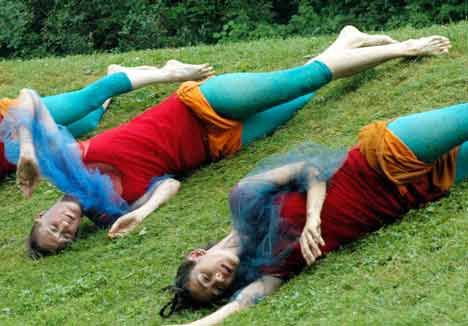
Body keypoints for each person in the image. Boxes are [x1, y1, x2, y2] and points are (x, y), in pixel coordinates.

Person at [4, 26, 450, 259]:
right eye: (63, 238)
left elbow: (27, 100)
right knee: (304, 94)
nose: (62, 228)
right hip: (221, 144)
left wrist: (26, 151)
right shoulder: (108, 214)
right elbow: (169, 185)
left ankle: (407, 47)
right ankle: (347, 40)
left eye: (50, 226)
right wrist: (141, 211)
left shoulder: (66, 162)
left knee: (308, 78)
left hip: (199, 106)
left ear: (43, 213)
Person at [161, 97, 467, 324]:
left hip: (385, 157)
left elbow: (310, 169)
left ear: (196, 255)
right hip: (416, 192)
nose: (218, 280)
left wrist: (312, 219)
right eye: (216, 290)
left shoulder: (244, 198)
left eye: (205, 277)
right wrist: (204, 322)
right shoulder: (270, 268)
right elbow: (245, 302)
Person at [0, 59, 214, 179]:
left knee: (85, 102)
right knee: (88, 122)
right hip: (14, 152)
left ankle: (169, 73)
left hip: (10, 119)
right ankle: (116, 72)